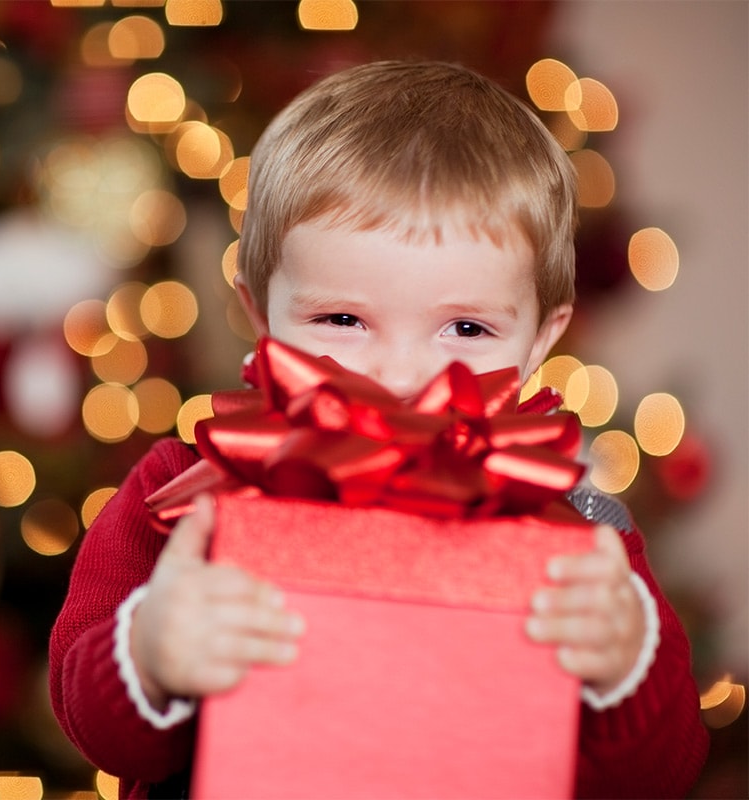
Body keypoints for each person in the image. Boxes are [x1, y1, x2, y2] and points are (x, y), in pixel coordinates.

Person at [49, 60, 709, 799]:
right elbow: (87, 718)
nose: (400, 375)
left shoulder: (580, 530)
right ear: (261, 313)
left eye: (465, 327)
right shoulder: (184, 489)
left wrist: (622, 668)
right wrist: (147, 654)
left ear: (540, 339)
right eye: (343, 320)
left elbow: (664, 775)